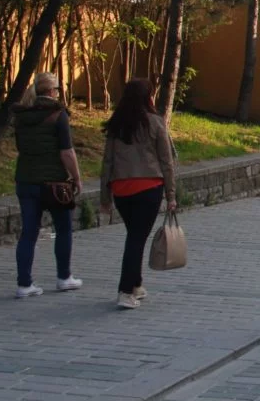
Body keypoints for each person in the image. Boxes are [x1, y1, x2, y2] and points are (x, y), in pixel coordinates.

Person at [98, 78, 176, 310]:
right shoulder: (155, 122)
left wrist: (105, 197)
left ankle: (137, 284)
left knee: (135, 235)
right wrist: (171, 194)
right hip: (148, 187)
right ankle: (125, 290)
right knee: (136, 239)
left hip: (121, 189)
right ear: (148, 97)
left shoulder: (117, 124)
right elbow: (167, 161)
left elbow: (107, 161)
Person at [12, 72, 83, 299]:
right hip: (54, 182)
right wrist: (77, 177)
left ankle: (24, 283)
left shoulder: (22, 115)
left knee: (28, 233)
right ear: (52, 91)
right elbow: (66, 152)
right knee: (63, 229)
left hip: (26, 180)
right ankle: (64, 277)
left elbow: (20, 146)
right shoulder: (57, 115)